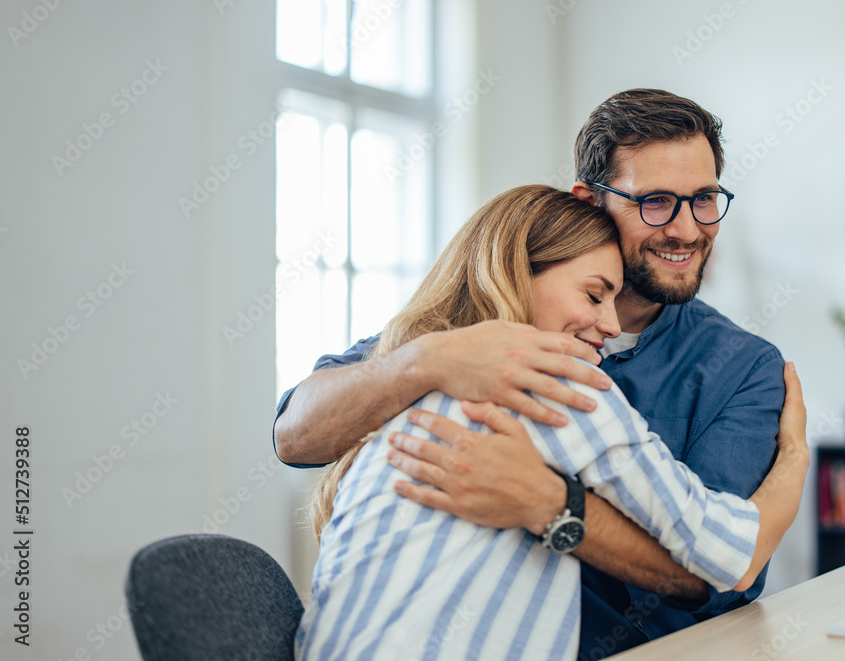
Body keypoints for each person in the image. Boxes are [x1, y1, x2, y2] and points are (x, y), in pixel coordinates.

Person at [275, 89, 792, 658]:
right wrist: (428, 360)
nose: (688, 230)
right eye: (657, 202)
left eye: (704, 199)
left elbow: (708, 586)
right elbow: (295, 436)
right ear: (589, 202)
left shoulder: (744, 369)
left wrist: (551, 506)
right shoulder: (477, 348)